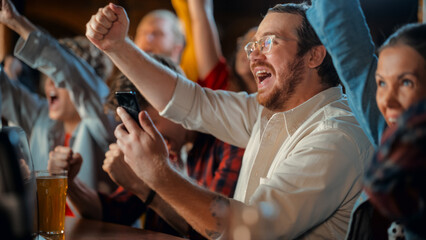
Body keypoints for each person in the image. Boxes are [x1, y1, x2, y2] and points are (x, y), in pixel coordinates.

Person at [86, 2, 373, 239]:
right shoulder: (266, 112)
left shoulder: (336, 136)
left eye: (269, 42)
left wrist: (158, 173)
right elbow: (191, 101)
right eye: (253, 46)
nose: (254, 56)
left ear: (314, 55)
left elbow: (251, 229)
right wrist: (117, 46)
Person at [48, 54, 244, 239]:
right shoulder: (157, 146)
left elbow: (215, 231)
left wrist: (145, 187)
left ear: (174, 103)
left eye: (151, 122)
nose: (147, 135)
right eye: (136, 127)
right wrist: (69, 184)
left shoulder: (228, 141)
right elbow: (113, 214)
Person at [306, 0, 426, 238]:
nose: (388, 101)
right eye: (381, 83)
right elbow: (346, 43)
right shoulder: (390, 134)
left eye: (406, 82)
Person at [0, 0, 115, 192]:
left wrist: (18, 22)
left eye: (57, 77)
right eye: (47, 75)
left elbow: (68, 69)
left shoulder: (105, 121)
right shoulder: (41, 115)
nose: (50, 83)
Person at [185, 0, 256, 92]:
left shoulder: (278, 101)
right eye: (243, 42)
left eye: (256, 44)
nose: (245, 49)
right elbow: (200, 16)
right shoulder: (219, 80)